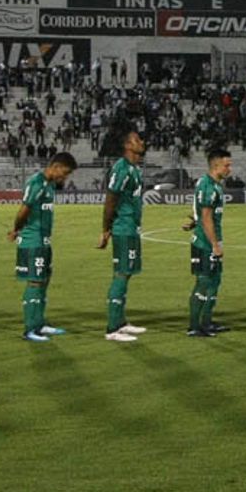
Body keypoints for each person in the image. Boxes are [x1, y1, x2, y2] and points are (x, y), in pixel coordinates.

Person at [10, 152, 76, 342]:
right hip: (33, 241)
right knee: (35, 281)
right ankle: (30, 330)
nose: (64, 178)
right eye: (64, 173)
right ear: (55, 166)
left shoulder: (48, 185)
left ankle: (40, 323)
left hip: (43, 241)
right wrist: (16, 229)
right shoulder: (36, 183)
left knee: (44, 279)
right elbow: (23, 210)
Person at [99, 130, 149, 342]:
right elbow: (110, 199)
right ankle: (112, 329)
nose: (142, 142)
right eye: (137, 140)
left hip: (131, 228)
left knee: (126, 273)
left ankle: (120, 321)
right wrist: (105, 229)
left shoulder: (133, 169)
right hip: (123, 228)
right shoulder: (121, 169)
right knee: (121, 273)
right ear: (128, 145)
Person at [186, 149, 232, 338]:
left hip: (210, 241)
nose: (229, 168)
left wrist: (192, 221)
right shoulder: (208, 186)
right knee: (203, 282)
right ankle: (194, 326)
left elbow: (202, 215)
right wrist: (215, 245)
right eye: (226, 165)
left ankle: (206, 321)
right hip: (205, 244)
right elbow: (206, 217)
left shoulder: (213, 185)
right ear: (215, 165)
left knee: (214, 281)